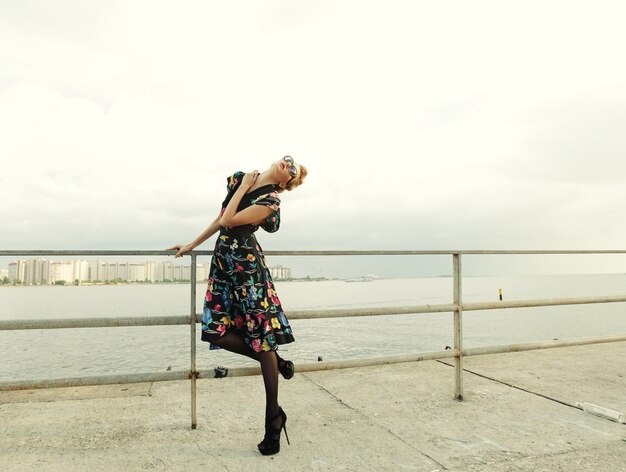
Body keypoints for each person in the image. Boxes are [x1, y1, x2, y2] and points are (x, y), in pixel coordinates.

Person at [166, 155, 308, 456]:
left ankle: (273, 421)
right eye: (289, 160)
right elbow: (220, 219)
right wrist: (192, 244)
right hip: (223, 264)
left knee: (262, 339)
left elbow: (231, 220)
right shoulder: (240, 178)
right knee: (214, 332)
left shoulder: (270, 201)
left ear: (285, 184)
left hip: (247, 270)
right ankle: (276, 362)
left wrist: (243, 188)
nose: (288, 164)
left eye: (292, 171)